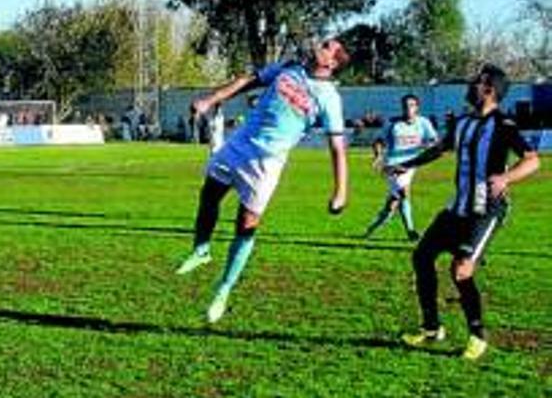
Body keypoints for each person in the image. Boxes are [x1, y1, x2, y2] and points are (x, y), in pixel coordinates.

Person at [175, 39, 351, 324]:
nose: (319, 44)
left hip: (267, 161)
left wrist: (340, 191)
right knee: (209, 192)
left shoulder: (330, 97)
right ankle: (202, 249)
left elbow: (337, 146)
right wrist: (210, 99)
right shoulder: (290, 67)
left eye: (327, 45)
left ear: (332, 63)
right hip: (240, 143)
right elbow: (248, 81)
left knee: (245, 225)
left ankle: (223, 290)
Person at [397, 65, 540, 360]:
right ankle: (431, 328)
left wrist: (505, 178)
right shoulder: (463, 122)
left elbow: (532, 160)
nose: (470, 85)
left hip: (486, 209)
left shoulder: (503, 124)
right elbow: (439, 149)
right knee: (421, 256)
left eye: (476, 82)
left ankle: (477, 336)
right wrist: (408, 164)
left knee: (461, 269)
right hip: (457, 207)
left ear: (488, 90)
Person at [364, 94, 438, 241]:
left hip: (411, 166)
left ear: (417, 107)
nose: (407, 108)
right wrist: (378, 156)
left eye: (411, 105)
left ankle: (371, 230)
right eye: (405, 105)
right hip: (393, 166)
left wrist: (429, 145)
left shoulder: (424, 123)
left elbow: (434, 140)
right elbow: (378, 141)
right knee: (404, 193)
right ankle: (411, 232)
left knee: (391, 206)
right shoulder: (393, 124)